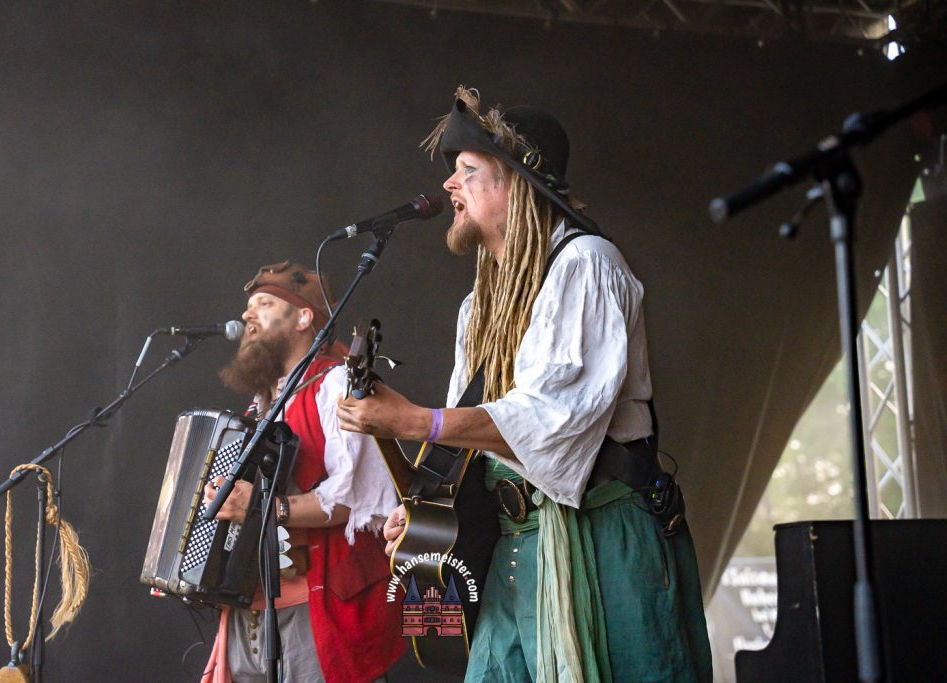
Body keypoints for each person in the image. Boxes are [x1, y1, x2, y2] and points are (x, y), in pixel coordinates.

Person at [337, 87, 712, 682]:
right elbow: (472, 445)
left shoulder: (587, 264)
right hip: (514, 545)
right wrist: (426, 513)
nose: (449, 185)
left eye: (468, 170)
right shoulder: (480, 305)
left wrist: (415, 421)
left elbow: (550, 421)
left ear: (519, 182)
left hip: (599, 540)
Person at [201, 261, 405, 683]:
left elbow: (352, 499)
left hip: (316, 614)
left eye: (264, 303)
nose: (247, 314)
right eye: (249, 305)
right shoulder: (259, 407)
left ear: (303, 317)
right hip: (245, 615)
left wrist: (262, 507)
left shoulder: (337, 385)